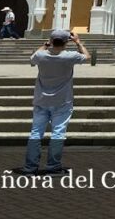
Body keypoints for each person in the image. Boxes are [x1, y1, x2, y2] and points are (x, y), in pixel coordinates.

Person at [20, 30, 88, 175]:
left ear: (51, 41)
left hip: (41, 100)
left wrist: (45, 45)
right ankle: (53, 167)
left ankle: (30, 167)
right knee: (58, 133)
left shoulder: (41, 55)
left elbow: (32, 58)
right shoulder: (69, 56)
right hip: (62, 101)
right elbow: (86, 57)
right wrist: (78, 42)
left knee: (36, 133)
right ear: (65, 42)